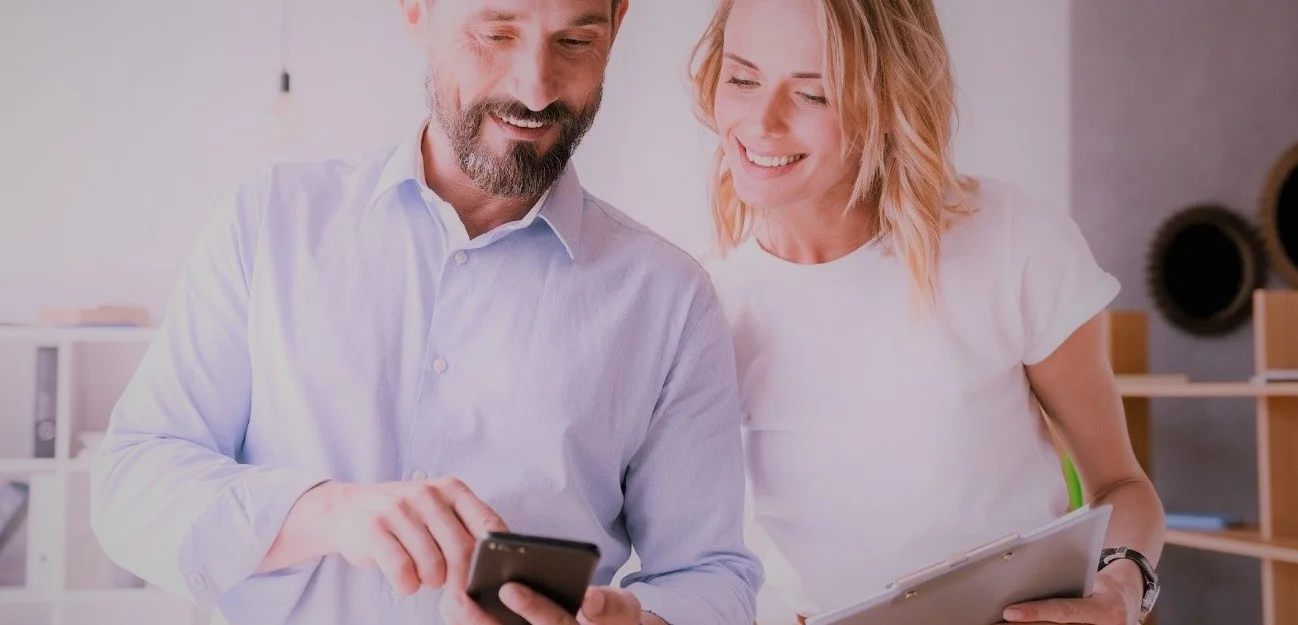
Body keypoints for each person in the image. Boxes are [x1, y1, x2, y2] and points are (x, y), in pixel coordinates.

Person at [89, 1, 763, 624]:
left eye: (575, 40)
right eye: (496, 33)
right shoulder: (270, 222)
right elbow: (132, 485)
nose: (536, 89)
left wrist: (638, 621)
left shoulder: (670, 297)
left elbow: (712, 577)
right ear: (418, 9)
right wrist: (324, 510)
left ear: (616, 24)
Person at [689, 0, 1167, 624]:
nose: (762, 121)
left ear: (889, 102)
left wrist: (1122, 592)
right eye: (743, 79)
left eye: (815, 94)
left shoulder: (1011, 239)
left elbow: (1121, 487)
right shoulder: (705, 309)